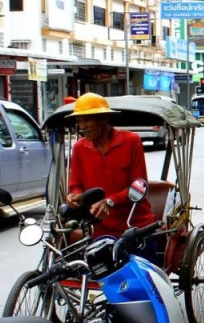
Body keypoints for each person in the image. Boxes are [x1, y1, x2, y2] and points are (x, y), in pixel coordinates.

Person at [65, 93, 156, 240]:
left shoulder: (131, 141)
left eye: (87, 120)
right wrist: (76, 196)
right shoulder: (79, 148)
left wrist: (110, 201)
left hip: (135, 225)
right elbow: (76, 185)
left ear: (104, 119)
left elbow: (139, 187)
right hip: (99, 228)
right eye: (79, 121)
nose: (82, 127)